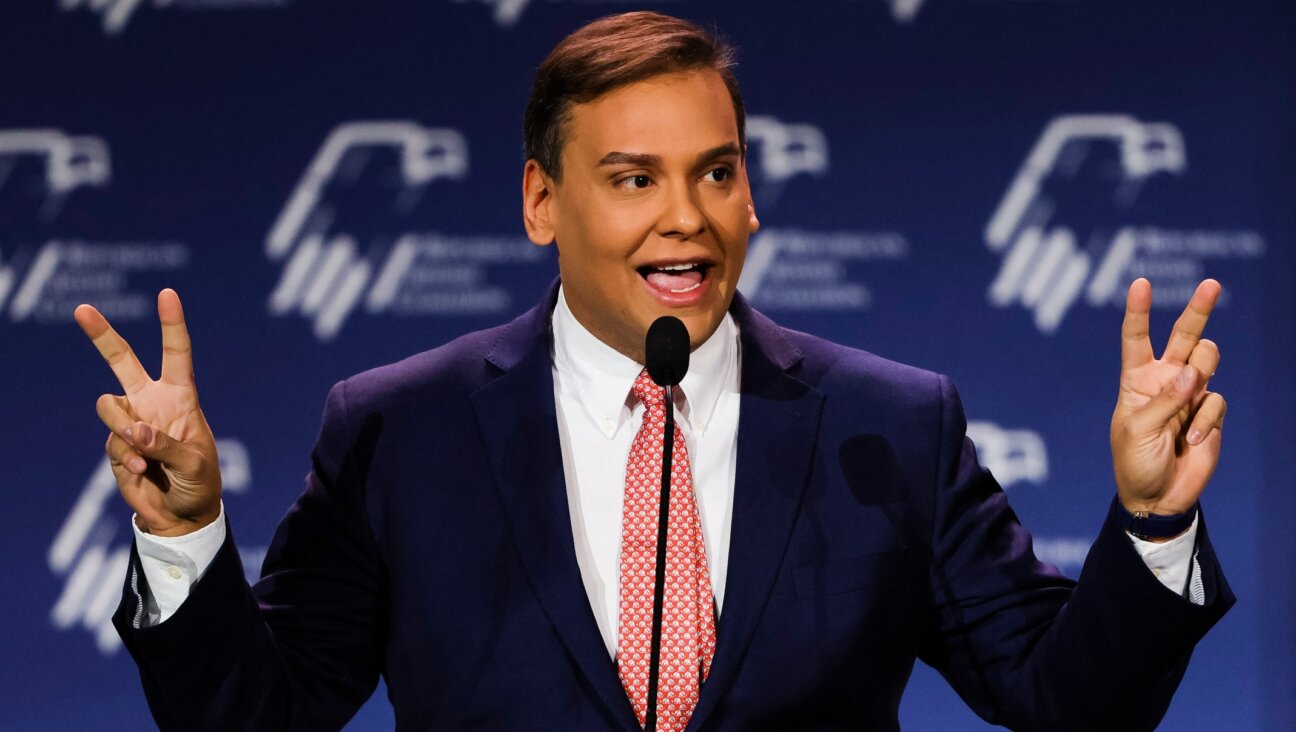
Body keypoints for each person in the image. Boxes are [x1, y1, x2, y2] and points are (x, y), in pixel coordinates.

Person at [76, 12, 1232, 731]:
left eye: (716, 172)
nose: (689, 219)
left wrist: (1151, 521)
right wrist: (184, 540)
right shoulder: (400, 430)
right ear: (541, 201)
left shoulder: (891, 425)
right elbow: (262, 715)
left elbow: (1062, 702)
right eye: (634, 179)